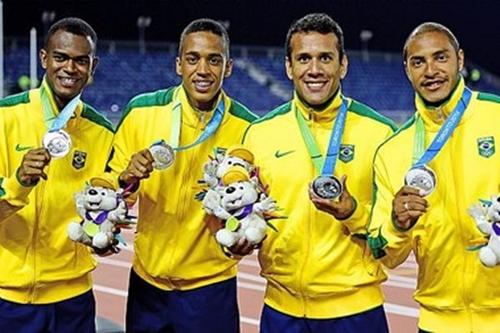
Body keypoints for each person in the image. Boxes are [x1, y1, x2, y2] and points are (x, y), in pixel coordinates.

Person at [243, 13, 396, 333]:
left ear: (343, 64)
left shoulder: (381, 135)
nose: (314, 69)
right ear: (288, 67)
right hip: (281, 310)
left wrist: (353, 213)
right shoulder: (259, 134)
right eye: (304, 58)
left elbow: (395, 237)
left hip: (356, 311)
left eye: (325, 57)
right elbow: (248, 214)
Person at [106, 18, 257, 332]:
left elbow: (256, 206)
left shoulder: (249, 129)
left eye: (214, 60)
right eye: (193, 58)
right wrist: (125, 179)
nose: (203, 70)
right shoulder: (141, 112)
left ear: (228, 67)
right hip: (148, 286)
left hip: (211, 288)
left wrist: (245, 237)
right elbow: (112, 190)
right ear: (178, 64)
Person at [368, 22, 500, 333]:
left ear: (460, 60)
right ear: (407, 69)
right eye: (418, 62)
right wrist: (397, 224)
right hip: (439, 321)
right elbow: (383, 252)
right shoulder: (392, 151)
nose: (431, 70)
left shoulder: (496, 116)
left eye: (441, 57)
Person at [0, 17, 113, 332]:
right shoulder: (4, 118)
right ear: (44, 58)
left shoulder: (102, 132)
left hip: (73, 297)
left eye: (81, 61)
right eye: (61, 57)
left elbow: (103, 208)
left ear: (93, 66)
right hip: (9, 297)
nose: (70, 68)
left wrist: (104, 232)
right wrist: (19, 182)